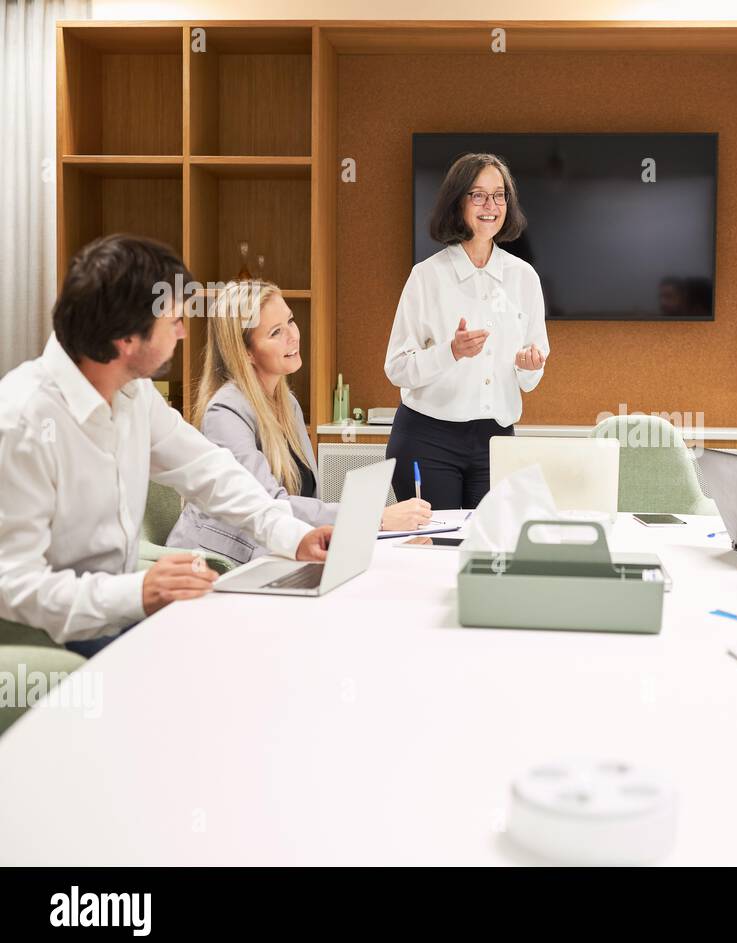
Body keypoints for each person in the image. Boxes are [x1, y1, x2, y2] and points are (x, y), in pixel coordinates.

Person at [0, 235, 331, 655]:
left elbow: (211, 470)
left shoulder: (133, 395)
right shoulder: (23, 421)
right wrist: (136, 592)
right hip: (53, 642)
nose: (182, 331)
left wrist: (291, 535)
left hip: (118, 620)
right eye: (172, 321)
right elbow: (16, 587)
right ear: (126, 341)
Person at [166, 281, 432, 563]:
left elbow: (304, 501)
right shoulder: (225, 412)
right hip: (218, 566)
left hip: (276, 554)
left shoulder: (286, 403)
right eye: (275, 332)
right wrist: (372, 518)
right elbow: (268, 506)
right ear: (245, 351)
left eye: (290, 321)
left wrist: (385, 534)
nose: (293, 336)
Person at [384, 152, 550, 508]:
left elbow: (528, 380)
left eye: (499, 194)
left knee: (488, 552)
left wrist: (529, 365)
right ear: (457, 202)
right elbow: (397, 368)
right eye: (478, 194)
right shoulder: (427, 277)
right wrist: (451, 352)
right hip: (428, 438)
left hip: (496, 440)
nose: (490, 205)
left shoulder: (524, 278)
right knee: (436, 552)